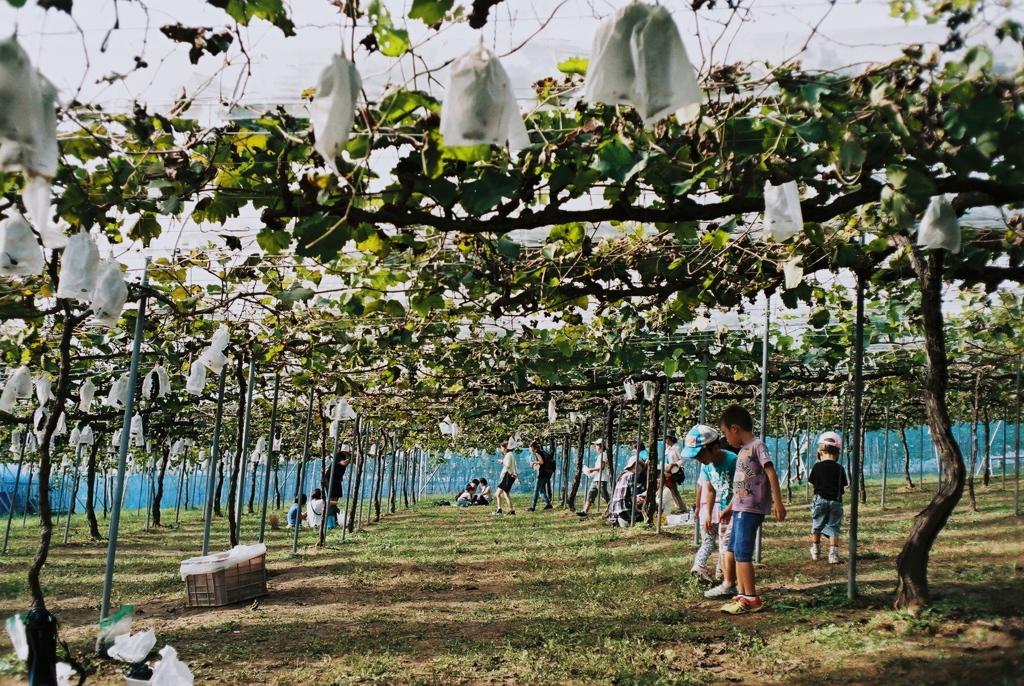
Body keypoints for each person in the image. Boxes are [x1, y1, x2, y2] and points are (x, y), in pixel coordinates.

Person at [715, 405, 786, 615]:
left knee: (743, 553)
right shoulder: (742, 451)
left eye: (726, 433)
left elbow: (770, 472)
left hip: (750, 510)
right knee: (735, 551)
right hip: (739, 508)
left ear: (735, 428)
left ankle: (752, 598)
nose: (726, 439)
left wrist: (778, 502)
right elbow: (740, 485)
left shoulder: (757, 446)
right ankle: (742, 594)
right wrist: (729, 507)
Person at [678, 425, 739, 597]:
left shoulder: (732, 460)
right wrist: (707, 512)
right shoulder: (707, 466)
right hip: (724, 511)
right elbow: (710, 490)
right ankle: (728, 580)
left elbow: (741, 488)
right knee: (723, 547)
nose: (697, 459)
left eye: (699, 454)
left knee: (728, 546)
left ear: (715, 447)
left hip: (737, 509)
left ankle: (729, 584)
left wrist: (730, 508)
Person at [809, 431, 849, 565]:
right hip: (836, 501)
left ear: (820, 453)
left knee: (817, 525)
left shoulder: (817, 466)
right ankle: (833, 555)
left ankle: (816, 550)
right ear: (838, 454)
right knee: (833, 527)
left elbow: (812, 483)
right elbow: (844, 484)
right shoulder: (839, 468)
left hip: (819, 499)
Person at [607, 456, 646, 526]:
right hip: (624, 508)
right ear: (631, 466)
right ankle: (625, 520)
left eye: (641, 465)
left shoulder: (622, 475)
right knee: (642, 517)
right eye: (637, 465)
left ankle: (619, 520)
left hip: (615, 510)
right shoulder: (632, 476)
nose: (639, 467)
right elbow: (633, 495)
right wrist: (637, 509)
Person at [576, 439, 610, 517]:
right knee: (591, 494)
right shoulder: (601, 455)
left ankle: (613, 508)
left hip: (601, 479)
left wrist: (592, 469)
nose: (596, 447)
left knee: (604, 496)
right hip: (597, 478)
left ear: (601, 446)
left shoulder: (603, 455)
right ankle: (585, 510)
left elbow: (602, 467)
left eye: (597, 445)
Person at [493, 442, 521, 515]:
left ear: (506, 448)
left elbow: (508, 466)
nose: (501, 450)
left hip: (508, 476)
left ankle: (499, 510)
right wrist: (517, 477)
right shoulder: (511, 454)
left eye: (502, 448)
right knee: (506, 494)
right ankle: (511, 511)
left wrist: (502, 462)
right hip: (510, 476)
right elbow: (514, 467)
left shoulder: (508, 455)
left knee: (497, 494)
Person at [662, 434, 687, 514]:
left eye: (667, 439)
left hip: (673, 471)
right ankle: (679, 506)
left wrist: (675, 464)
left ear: (671, 439)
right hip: (667, 470)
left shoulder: (677, 448)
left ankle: (680, 507)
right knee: (671, 489)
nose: (665, 441)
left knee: (672, 489)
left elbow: (683, 459)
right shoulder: (668, 448)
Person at [527, 441, 555, 511]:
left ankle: (532, 507)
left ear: (533, 447)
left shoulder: (537, 453)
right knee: (541, 490)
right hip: (548, 473)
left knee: (536, 490)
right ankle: (548, 504)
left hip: (542, 474)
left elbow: (541, 462)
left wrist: (534, 462)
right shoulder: (543, 452)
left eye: (530, 448)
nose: (529, 449)